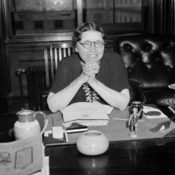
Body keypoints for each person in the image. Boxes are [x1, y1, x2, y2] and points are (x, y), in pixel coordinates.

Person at [47, 22, 132, 112]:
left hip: (110, 120)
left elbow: (123, 103)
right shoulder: (66, 64)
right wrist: (82, 78)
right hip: (76, 121)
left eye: (98, 43)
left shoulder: (114, 60)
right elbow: (53, 106)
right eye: (86, 43)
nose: (93, 49)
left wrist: (92, 81)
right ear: (76, 47)